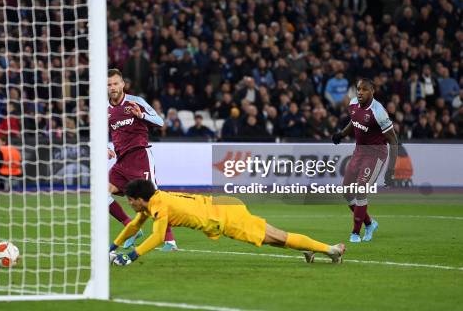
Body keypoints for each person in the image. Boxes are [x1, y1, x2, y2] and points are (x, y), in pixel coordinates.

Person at [109, 179, 345, 266]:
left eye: (131, 201)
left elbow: (159, 237)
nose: (130, 204)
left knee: (276, 237)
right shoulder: (154, 201)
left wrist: (132, 255)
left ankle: (331, 250)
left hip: (225, 216)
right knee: (272, 239)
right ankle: (307, 249)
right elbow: (134, 225)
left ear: (140, 199)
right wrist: (114, 247)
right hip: (222, 204)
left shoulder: (159, 206)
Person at [107, 68, 177, 251]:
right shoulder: (105, 110)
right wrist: (105, 147)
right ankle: (131, 227)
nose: (112, 87)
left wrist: (141, 115)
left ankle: (170, 241)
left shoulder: (135, 102)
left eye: (115, 83)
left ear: (122, 84)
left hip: (140, 158)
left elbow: (160, 122)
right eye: (109, 84)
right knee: (100, 193)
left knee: (152, 198)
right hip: (121, 163)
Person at [331, 78, 398, 243]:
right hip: (359, 151)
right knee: (346, 191)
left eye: (364, 89)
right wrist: (342, 134)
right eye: (358, 89)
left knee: (361, 190)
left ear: (372, 91)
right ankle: (369, 223)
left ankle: (355, 233)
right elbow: (353, 122)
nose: (360, 92)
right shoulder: (353, 103)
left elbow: (393, 141)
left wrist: (390, 170)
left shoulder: (379, 112)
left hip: (375, 154)